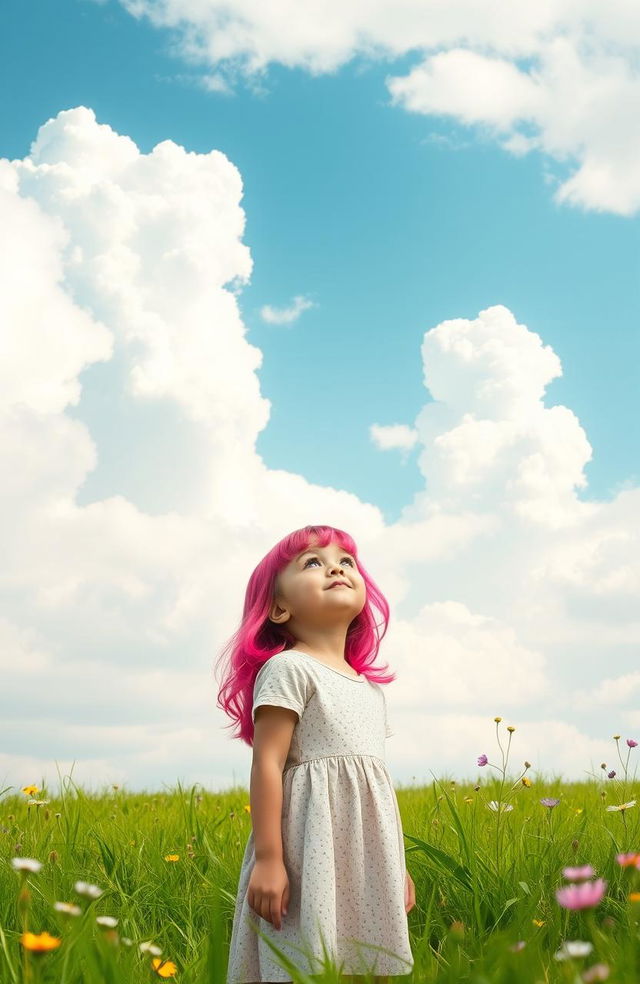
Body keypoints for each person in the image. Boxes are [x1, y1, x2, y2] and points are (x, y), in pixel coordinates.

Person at [217, 524, 416, 983]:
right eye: (313, 562)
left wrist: (396, 866)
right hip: (306, 851)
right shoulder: (289, 668)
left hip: (364, 856)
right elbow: (267, 763)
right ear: (278, 607)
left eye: (346, 561)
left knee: (367, 962)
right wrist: (269, 858)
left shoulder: (368, 689)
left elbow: (374, 788)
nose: (336, 567)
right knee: (305, 960)